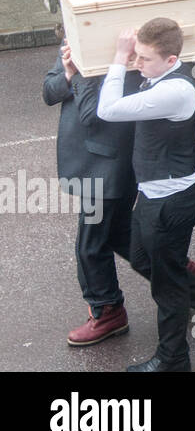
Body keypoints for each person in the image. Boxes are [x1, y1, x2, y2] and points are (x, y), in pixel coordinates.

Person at [97, 18, 195, 372]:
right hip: (154, 195)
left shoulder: (174, 90)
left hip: (172, 200)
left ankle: (173, 359)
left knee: (167, 284)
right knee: (142, 259)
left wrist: (118, 58)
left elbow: (108, 110)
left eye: (144, 58)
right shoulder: (159, 76)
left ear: (171, 58)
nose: (137, 63)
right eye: (135, 56)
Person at [45, 42, 139, 345]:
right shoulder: (74, 43)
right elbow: (49, 91)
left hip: (109, 166)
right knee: (118, 236)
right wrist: (69, 73)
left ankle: (107, 311)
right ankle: (187, 279)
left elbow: (91, 114)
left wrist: (82, 72)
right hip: (89, 162)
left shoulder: (125, 54)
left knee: (90, 245)